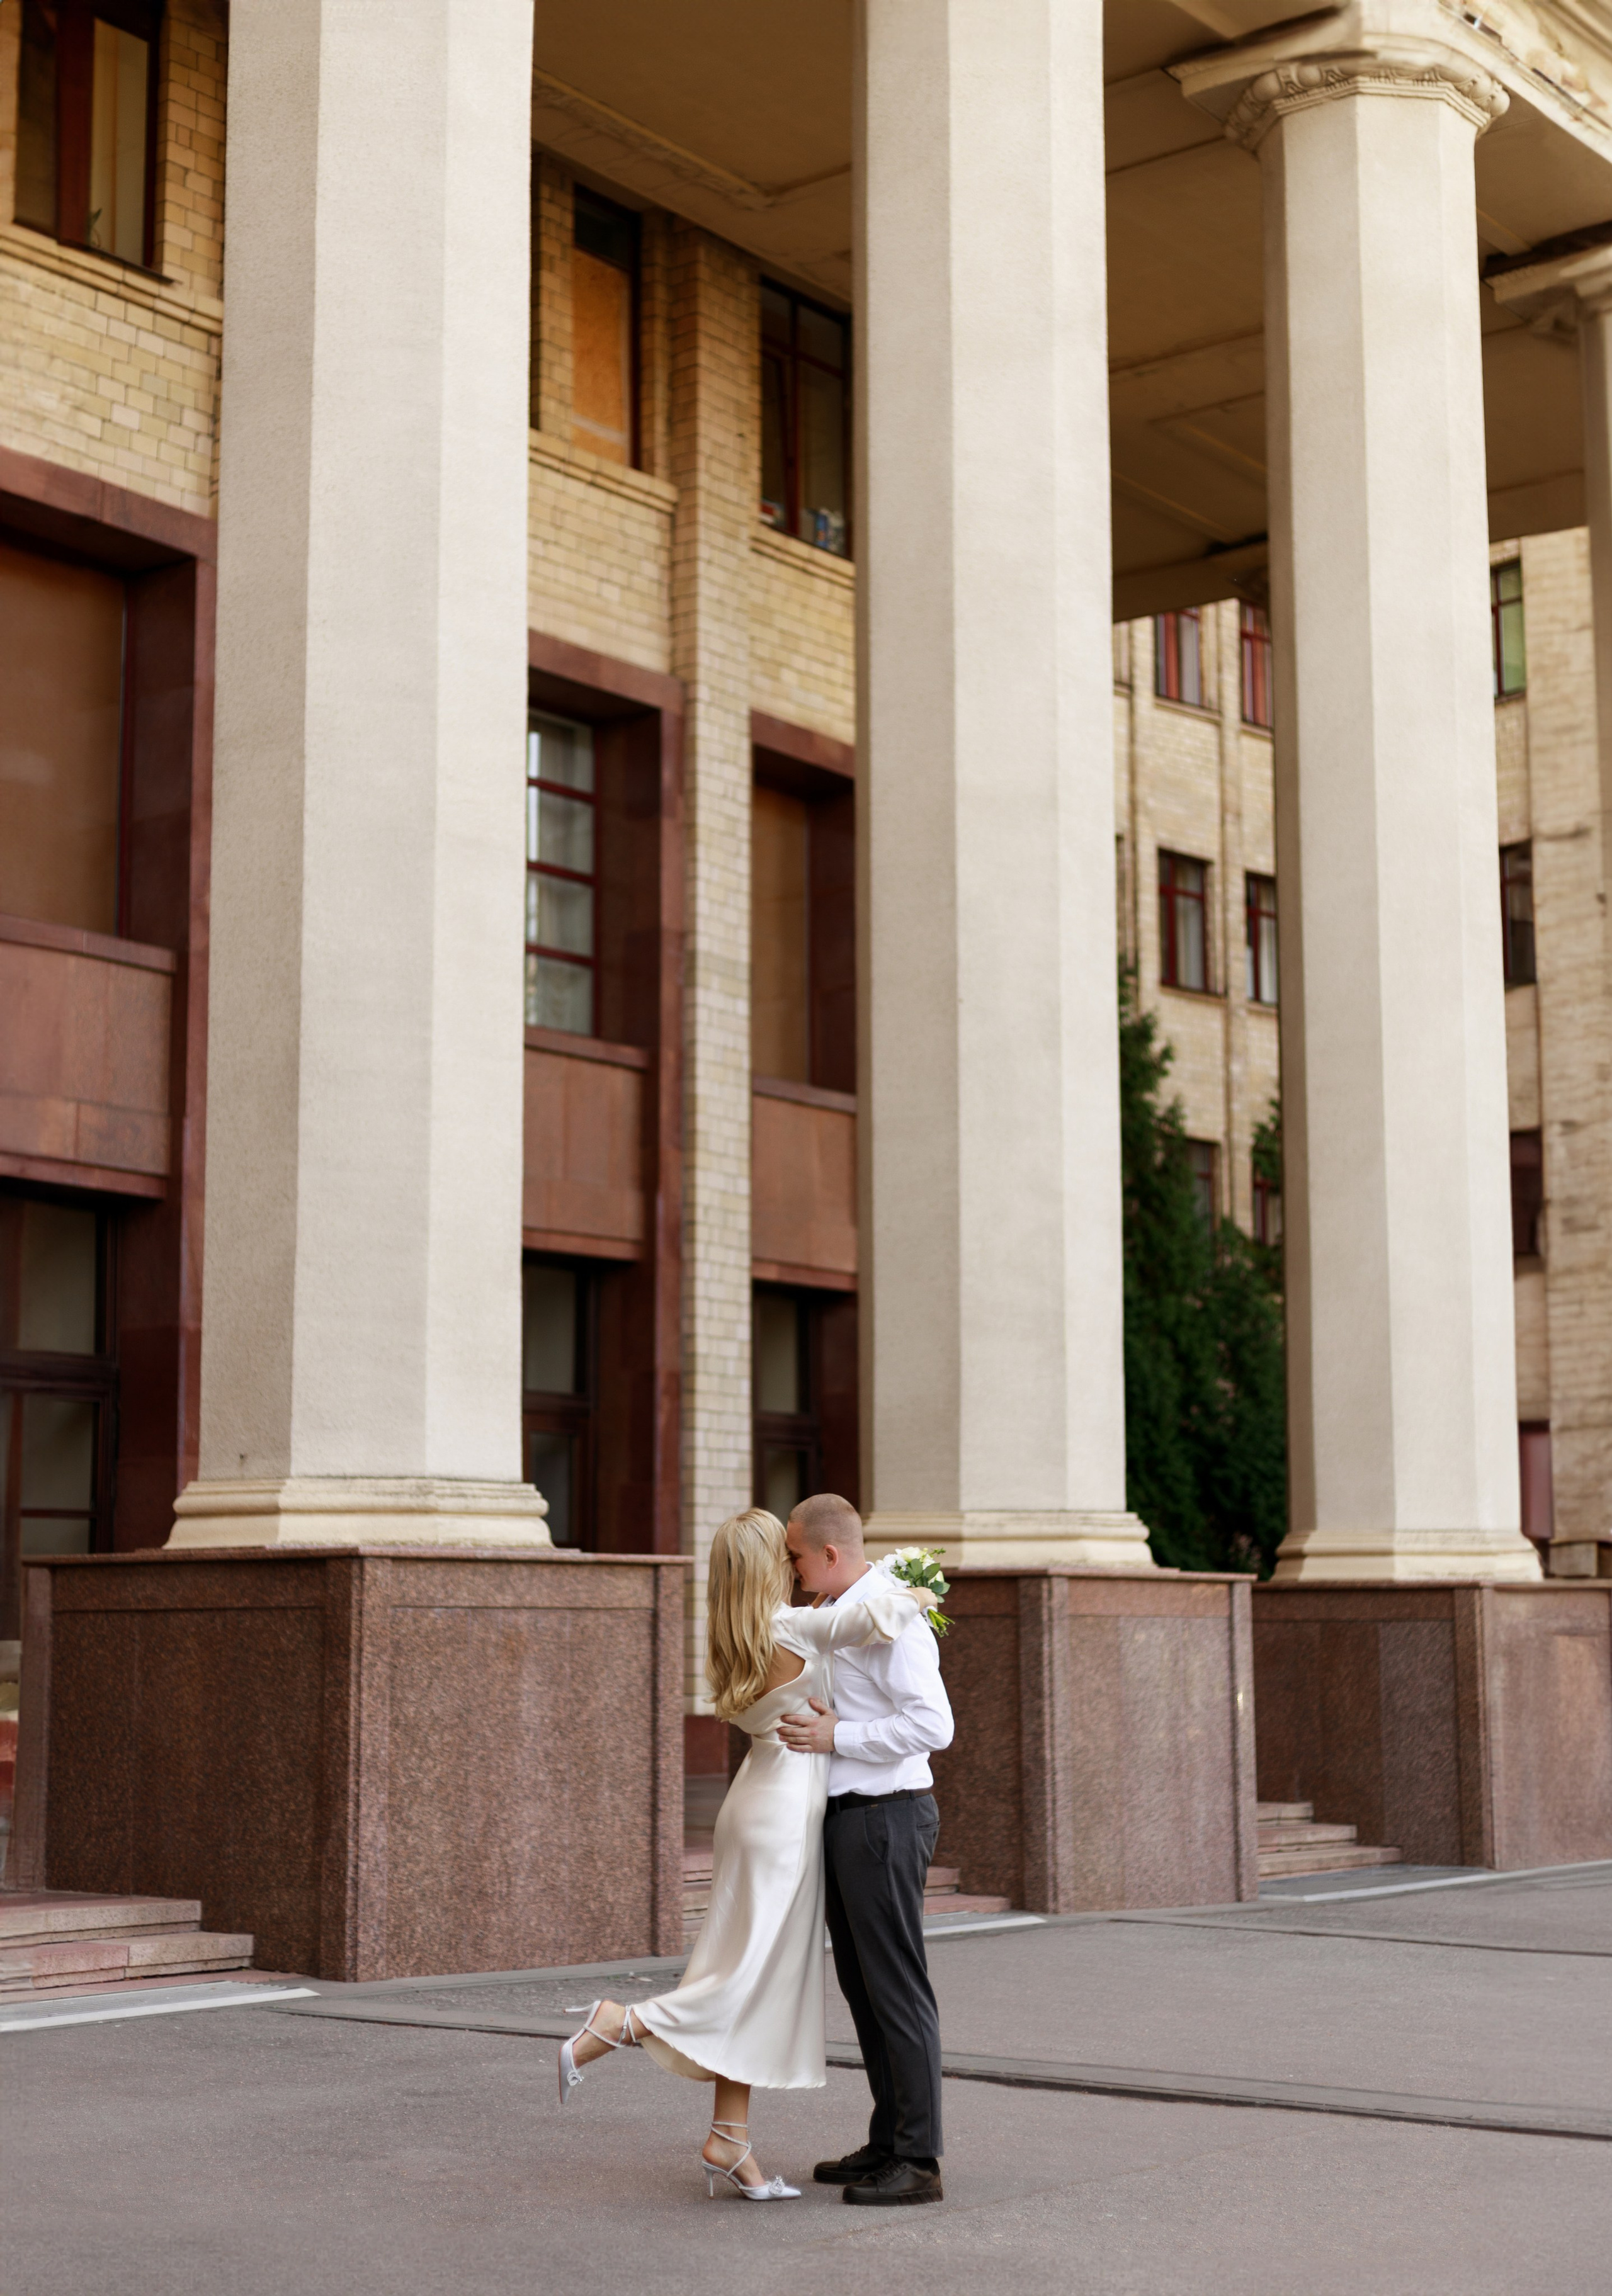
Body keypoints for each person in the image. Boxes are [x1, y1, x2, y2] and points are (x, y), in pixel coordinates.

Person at [555, 1506, 935, 2201]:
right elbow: (870, 1620)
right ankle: (621, 2022)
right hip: (787, 1816)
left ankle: (731, 2140)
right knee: (753, 1971)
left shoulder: (732, 1631)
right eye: (784, 1556)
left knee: (757, 1970)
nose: (795, 1566)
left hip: (754, 1800)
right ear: (768, 1567)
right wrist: (915, 1586)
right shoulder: (790, 1622)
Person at [776, 1493, 953, 2207]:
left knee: (896, 1988)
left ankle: (919, 2158)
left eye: (794, 1555)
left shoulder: (891, 1615)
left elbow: (932, 1723)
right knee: (864, 1986)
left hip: (886, 1818)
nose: (789, 1570)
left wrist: (837, 1736)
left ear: (827, 1553)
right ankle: (889, 2140)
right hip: (853, 1818)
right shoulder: (850, 1608)